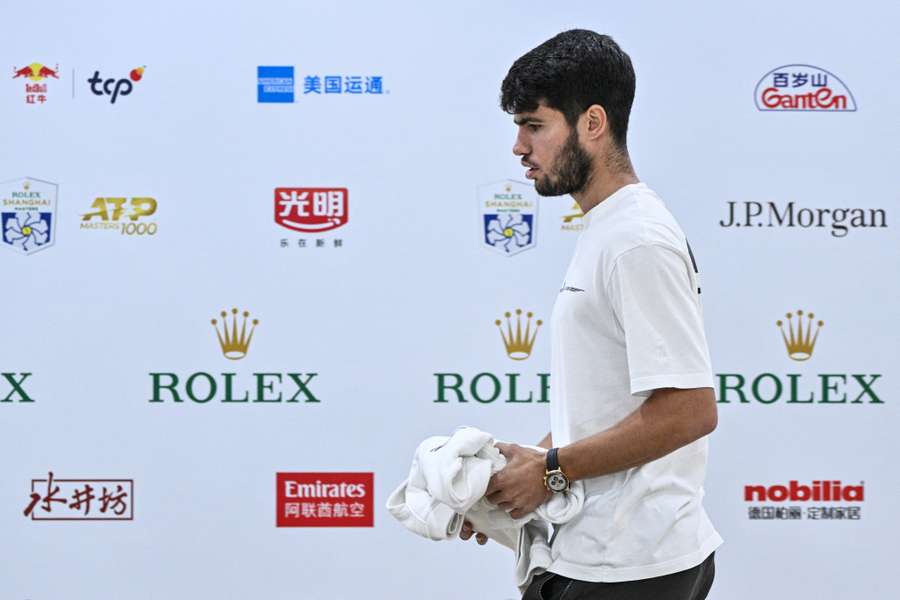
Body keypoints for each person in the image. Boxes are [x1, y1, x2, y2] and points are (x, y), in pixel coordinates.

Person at [459, 30, 722, 600]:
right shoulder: (607, 228)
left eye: (534, 125)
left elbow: (689, 411)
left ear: (593, 123)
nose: (518, 147)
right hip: (595, 555)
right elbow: (613, 401)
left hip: (632, 567)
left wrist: (550, 470)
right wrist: (517, 476)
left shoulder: (637, 240)